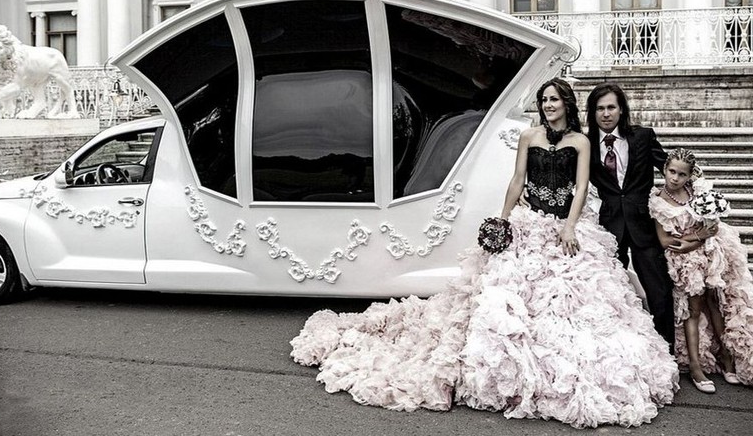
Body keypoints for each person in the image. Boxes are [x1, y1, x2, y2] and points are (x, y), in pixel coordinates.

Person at [291, 77, 679, 429]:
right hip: (528, 223)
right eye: (544, 100)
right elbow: (517, 180)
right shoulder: (528, 136)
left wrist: (569, 226)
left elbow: (580, 188)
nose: (548, 105)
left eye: (554, 100)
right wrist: (504, 219)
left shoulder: (581, 141)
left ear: (567, 104)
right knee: (504, 299)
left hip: (564, 227)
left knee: (574, 302)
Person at [648, 147, 753, 394]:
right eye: (671, 171)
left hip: (711, 253)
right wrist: (696, 238)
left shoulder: (697, 192)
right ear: (664, 170)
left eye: (682, 174)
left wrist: (701, 236)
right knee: (692, 309)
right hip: (685, 262)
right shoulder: (658, 200)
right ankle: (696, 367)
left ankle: (726, 358)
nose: (675, 178)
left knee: (716, 303)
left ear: (689, 175)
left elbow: (712, 228)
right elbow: (666, 241)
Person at [586, 83, 675, 350]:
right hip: (607, 226)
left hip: (643, 224)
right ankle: (623, 351)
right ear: (592, 112)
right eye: (600, 108)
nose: (606, 114)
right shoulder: (585, 144)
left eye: (611, 107)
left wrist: (695, 200)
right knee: (612, 292)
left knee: (659, 291)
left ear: (621, 109)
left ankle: (667, 350)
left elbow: (671, 170)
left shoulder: (643, 136)